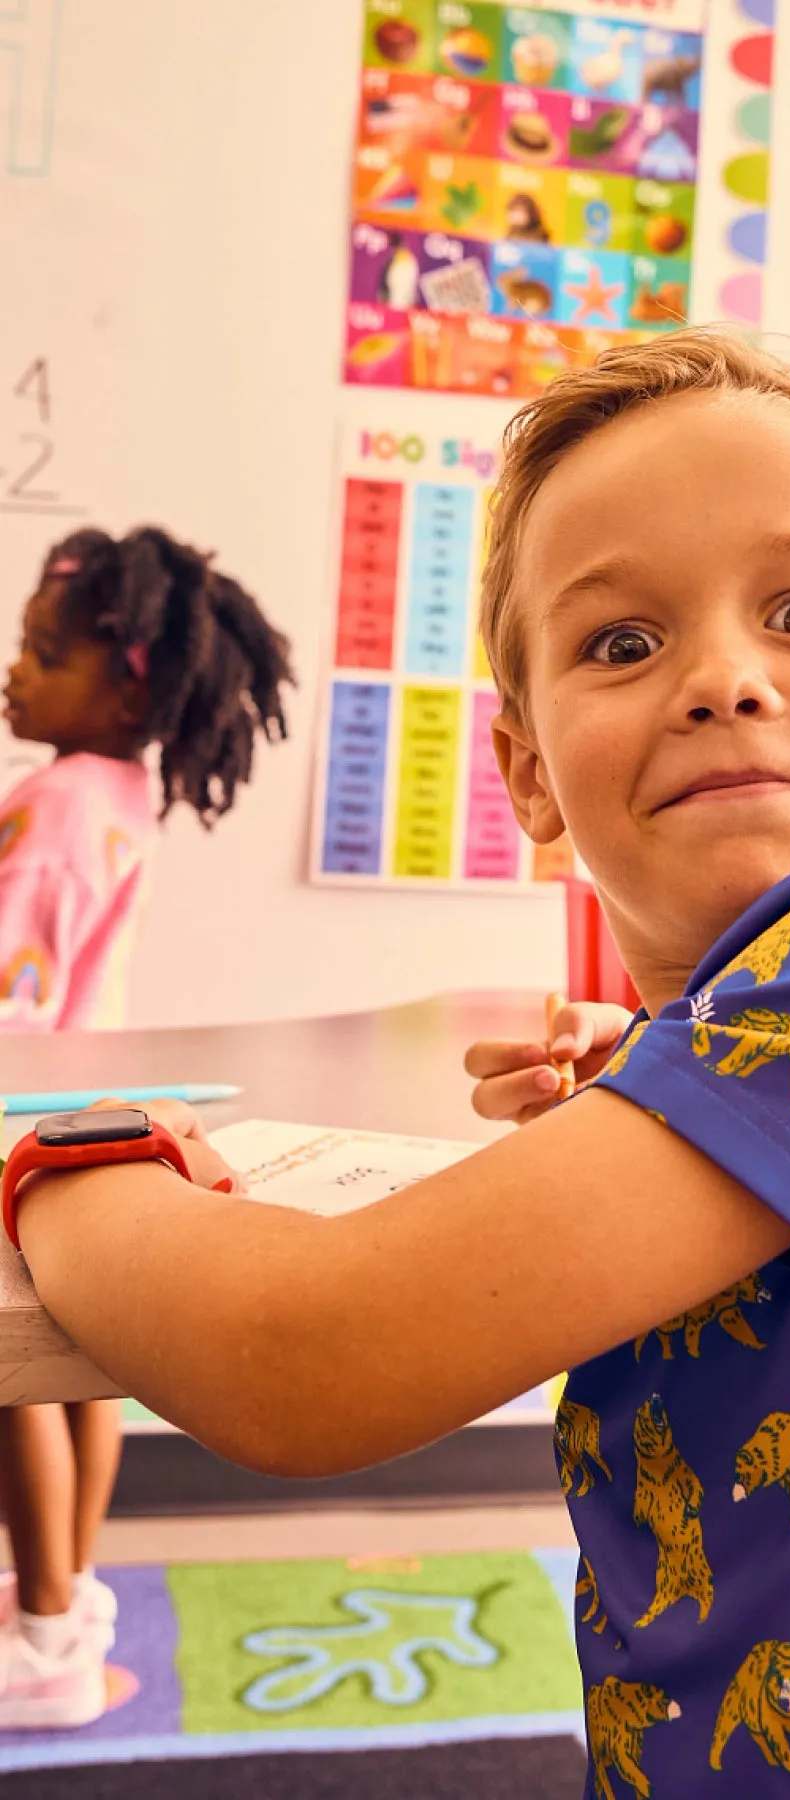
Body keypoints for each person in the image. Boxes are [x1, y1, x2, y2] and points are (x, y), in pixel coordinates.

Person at [6, 333, 790, 1792]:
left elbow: (298, 1366)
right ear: (529, 778)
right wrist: (653, 1075)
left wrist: (69, 1168)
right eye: (622, 643)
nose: (721, 679)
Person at [0, 525, 293, 1726]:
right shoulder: (118, 790)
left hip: (15, 1107)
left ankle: (42, 1635)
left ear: (125, 684)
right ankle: (70, 1598)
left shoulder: (59, 796)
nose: (13, 671)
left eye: (40, 651)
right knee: (81, 1374)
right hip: (84, 1106)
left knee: (10, 1382)